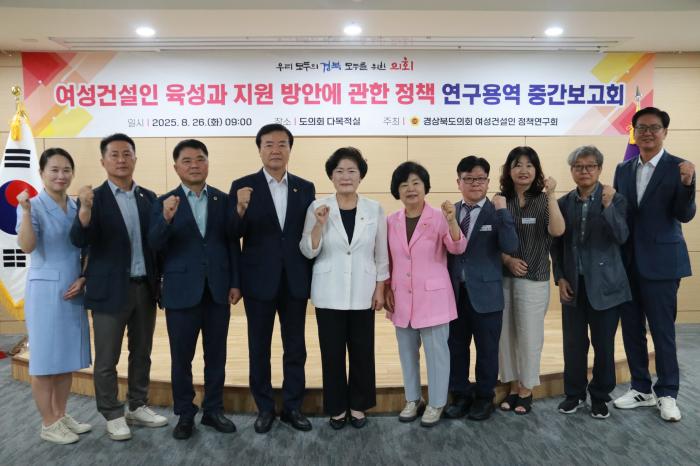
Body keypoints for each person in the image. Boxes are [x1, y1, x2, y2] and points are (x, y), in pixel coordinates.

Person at [70, 133, 167, 441]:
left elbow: (157, 244)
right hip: (109, 290)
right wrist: (84, 210)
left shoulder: (149, 198)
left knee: (142, 353)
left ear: (135, 159)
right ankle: (112, 413)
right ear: (103, 161)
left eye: (127, 154)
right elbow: (79, 239)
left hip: (143, 289)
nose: (121, 160)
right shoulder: (92, 198)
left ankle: (137, 405)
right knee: (107, 358)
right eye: (114, 154)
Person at [149, 139, 241, 439]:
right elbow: (154, 244)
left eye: (200, 159)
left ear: (208, 164)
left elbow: (232, 243)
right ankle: (185, 414)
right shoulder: (163, 202)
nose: (194, 165)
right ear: (176, 167)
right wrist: (166, 218)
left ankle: (213, 410)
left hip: (217, 290)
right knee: (182, 358)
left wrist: (235, 282)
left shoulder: (222, 200)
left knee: (216, 356)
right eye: (187, 161)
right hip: (180, 292)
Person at [229, 124, 316, 433]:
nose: (276, 150)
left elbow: (310, 235)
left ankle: (292, 407)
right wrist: (239, 208)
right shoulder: (243, 186)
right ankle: (264, 408)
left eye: (282, 144)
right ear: (259, 150)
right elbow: (232, 235)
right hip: (257, 281)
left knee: (295, 348)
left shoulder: (305, 188)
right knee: (259, 348)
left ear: (290, 149)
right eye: (269, 144)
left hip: (294, 280)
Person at [612, 107, 696, 422]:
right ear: (634, 132)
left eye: (654, 127)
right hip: (627, 263)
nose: (647, 133)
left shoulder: (680, 167)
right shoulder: (623, 168)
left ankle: (668, 393)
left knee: (662, 331)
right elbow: (621, 213)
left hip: (662, 264)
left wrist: (687, 185)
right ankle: (641, 388)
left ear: (665, 132)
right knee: (632, 330)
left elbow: (684, 214)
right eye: (642, 128)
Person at [300, 147, 389, 430]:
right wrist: (318, 225)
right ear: (331, 176)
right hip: (328, 290)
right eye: (339, 171)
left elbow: (381, 254)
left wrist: (380, 289)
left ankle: (359, 405)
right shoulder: (318, 207)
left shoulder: (374, 208)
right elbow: (308, 250)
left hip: (364, 289)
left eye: (352, 170)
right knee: (332, 353)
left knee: (362, 351)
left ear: (361, 176)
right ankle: (337, 407)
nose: (345, 176)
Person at [15, 148, 91, 444]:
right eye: (54, 170)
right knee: (46, 360)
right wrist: (24, 212)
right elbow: (27, 246)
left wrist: (84, 277)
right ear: (42, 173)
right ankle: (48, 423)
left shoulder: (75, 206)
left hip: (74, 289)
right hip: (45, 292)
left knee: (65, 358)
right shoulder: (31, 205)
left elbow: (86, 247)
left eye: (66, 170)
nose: (61, 175)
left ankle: (60, 414)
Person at [384, 161, 466, 428]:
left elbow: (457, 247)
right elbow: (387, 259)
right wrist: (386, 287)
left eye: (416, 183)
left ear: (425, 187)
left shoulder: (440, 217)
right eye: (404, 184)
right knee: (407, 353)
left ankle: (437, 402)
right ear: (397, 190)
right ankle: (413, 399)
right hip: (401, 299)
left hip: (433, 299)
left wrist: (452, 221)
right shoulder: (391, 221)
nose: (410, 188)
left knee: (437, 354)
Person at [551, 145, 631, 419]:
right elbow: (555, 246)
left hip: (606, 286)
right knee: (573, 344)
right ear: (572, 170)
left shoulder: (616, 200)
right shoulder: (563, 203)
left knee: (603, 345)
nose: (584, 171)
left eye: (590, 166)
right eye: (578, 167)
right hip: (573, 285)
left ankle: (599, 396)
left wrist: (608, 206)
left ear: (599, 169)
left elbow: (622, 236)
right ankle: (573, 394)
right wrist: (560, 277)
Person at [444, 156, 518, 421]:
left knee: (487, 349)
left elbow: (510, 245)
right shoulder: (450, 212)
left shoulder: (496, 211)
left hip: (487, 295)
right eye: (468, 179)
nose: (475, 183)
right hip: (454, 294)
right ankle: (461, 395)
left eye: (480, 179)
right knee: (456, 347)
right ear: (459, 182)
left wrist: (503, 212)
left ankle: (485, 397)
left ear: (488, 182)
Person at [498, 146, 565, 415]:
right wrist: (507, 260)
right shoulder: (500, 200)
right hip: (504, 278)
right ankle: (513, 386)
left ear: (536, 170)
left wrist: (552, 195)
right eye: (517, 165)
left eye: (529, 165)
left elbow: (558, 230)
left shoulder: (544, 199)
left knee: (529, 335)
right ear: (509, 170)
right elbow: (490, 239)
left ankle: (526, 389)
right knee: (507, 336)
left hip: (534, 278)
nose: (523, 170)